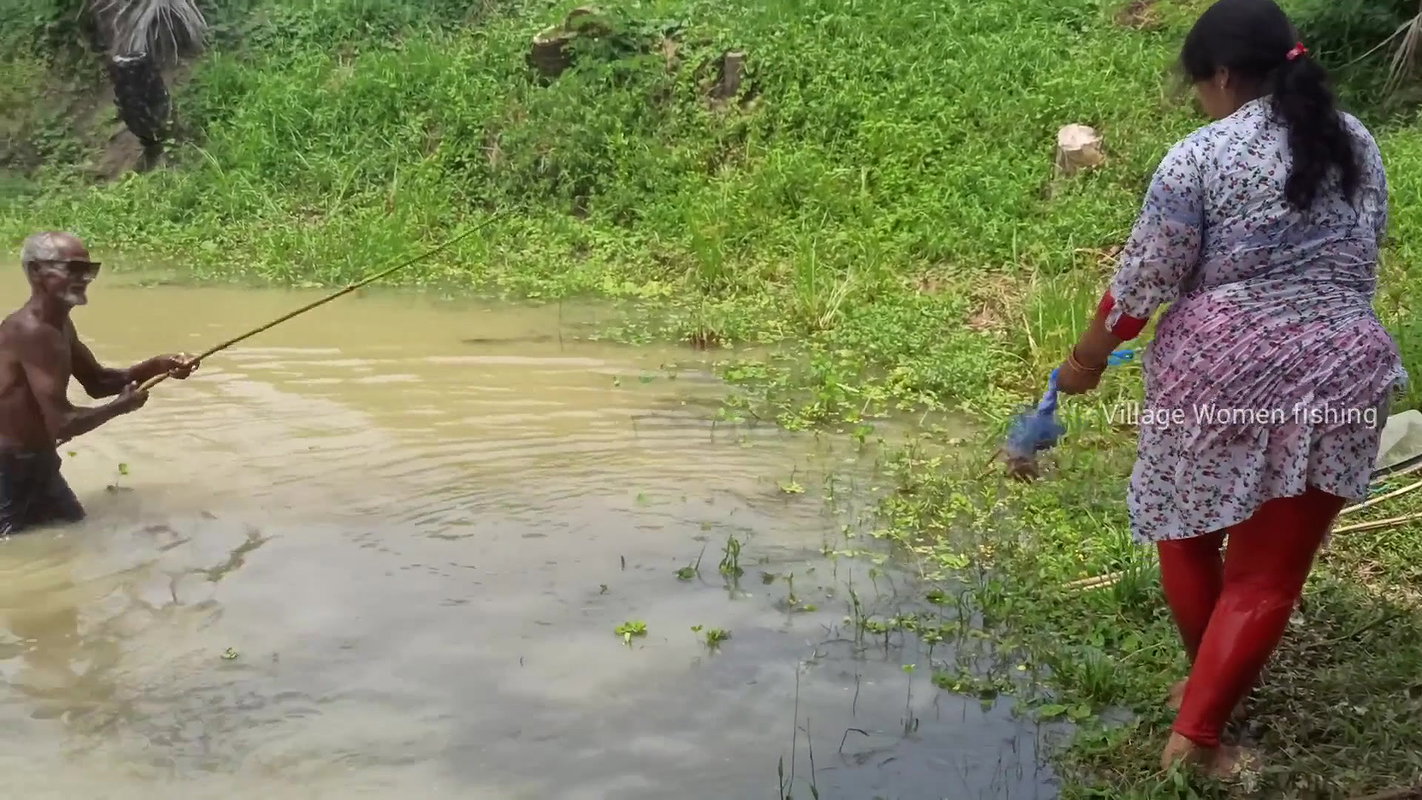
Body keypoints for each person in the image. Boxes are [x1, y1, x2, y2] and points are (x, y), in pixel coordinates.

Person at [1054, 0, 1407, 779]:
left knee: (1185, 530)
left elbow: (1139, 289)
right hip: (1341, 366)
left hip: (1218, 368)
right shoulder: (1359, 143)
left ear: (1220, 76)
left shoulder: (1200, 156)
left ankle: (1197, 742)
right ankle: (1209, 698)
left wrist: (1081, 365)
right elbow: (1362, 256)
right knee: (1268, 575)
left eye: (1199, 86)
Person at [0, 231, 198, 536]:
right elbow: (63, 423)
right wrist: (120, 407)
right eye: (73, 269)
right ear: (37, 271)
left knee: (71, 539)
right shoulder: (31, 331)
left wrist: (157, 365)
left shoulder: (59, 324)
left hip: (39, 463)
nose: (84, 278)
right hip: (8, 472)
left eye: (88, 270)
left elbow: (99, 381)